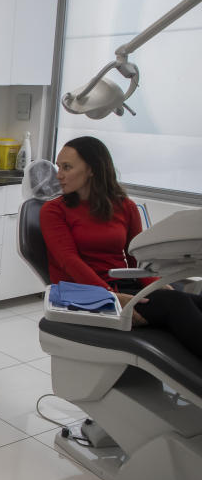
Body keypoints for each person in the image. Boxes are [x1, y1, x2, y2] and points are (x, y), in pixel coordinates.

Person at [41, 135, 202, 359]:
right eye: (59, 167)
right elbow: (69, 261)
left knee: (190, 298)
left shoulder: (124, 206)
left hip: (122, 285)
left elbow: (137, 257)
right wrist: (110, 297)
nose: (59, 175)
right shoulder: (53, 211)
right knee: (175, 304)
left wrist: (156, 285)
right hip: (83, 293)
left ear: (92, 169)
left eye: (67, 167)